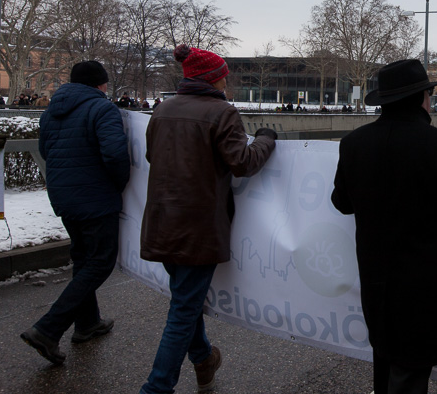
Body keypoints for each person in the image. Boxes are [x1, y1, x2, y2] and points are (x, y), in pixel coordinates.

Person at [331, 59, 437, 394]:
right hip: (423, 286)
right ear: (421, 98)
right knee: (410, 372)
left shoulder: (353, 143)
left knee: (385, 355)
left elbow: (342, 202)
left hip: (375, 279)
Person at [139, 44, 277, 394]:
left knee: (184, 300)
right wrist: (266, 140)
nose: (226, 83)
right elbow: (243, 163)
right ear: (214, 79)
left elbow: (153, 155)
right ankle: (156, 387)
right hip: (197, 226)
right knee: (183, 310)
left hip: (161, 221)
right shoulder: (221, 112)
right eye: (224, 77)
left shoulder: (163, 109)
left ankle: (203, 359)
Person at [20, 61, 131, 365]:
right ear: (100, 84)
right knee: (100, 262)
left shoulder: (51, 111)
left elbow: (46, 151)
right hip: (95, 196)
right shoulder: (102, 108)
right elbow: (115, 154)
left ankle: (87, 323)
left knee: (83, 258)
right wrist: (118, 185)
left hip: (63, 195)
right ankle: (48, 329)